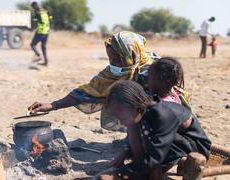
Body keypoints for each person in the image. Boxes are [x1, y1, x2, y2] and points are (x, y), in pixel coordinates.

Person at [28, 31, 161, 131]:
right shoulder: (111, 73)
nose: (112, 64)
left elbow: (162, 107)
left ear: (131, 55)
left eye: (117, 60)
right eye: (110, 60)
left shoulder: (151, 73)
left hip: (162, 122)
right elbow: (86, 92)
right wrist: (53, 105)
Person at [99, 80, 211, 179]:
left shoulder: (163, 116)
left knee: (148, 151)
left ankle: (154, 173)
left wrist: (119, 174)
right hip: (168, 141)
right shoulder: (142, 110)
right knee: (135, 131)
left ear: (136, 108)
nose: (121, 122)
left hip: (195, 146)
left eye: (122, 118)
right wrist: (125, 151)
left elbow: (155, 156)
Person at [30, 1, 52, 66]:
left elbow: (34, 20)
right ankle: (46, 62)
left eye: (33, 7)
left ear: (35, 6)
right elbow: (50, 20)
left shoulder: (37, 13)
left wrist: (35, 18)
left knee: (32, 45)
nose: (33, 9)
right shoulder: (46, 11)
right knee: (43, 46)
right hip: (47, 31)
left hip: (40, 31)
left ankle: (38, 56)